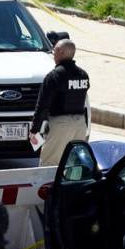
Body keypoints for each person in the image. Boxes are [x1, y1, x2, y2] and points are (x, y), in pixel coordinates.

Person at [30, 39, 90, 167]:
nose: (53, 53)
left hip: (60, 124)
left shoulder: (55, 76)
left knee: (49, 164)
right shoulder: (83, 75)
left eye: (55, 50)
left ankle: (48, 187)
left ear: (61, 52)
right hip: (80, 125)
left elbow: (43, 104)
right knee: (72, 164)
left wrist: (34, 129)